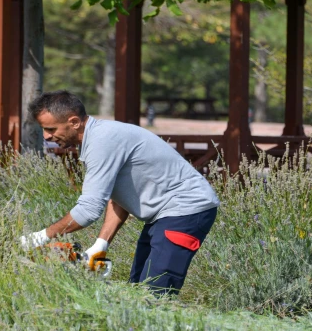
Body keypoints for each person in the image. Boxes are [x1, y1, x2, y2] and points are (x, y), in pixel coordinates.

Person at [19, 90, 220, 295]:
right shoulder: (96, 137)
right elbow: (119, 195)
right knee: (137, 290)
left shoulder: (102, 141)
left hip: (186, 211)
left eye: (51, 129)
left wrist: (42, 236)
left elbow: (88, 211)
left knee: (156, 293)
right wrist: (101, 243)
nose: (46, 136)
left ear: (74, 122)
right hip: (165, 214)